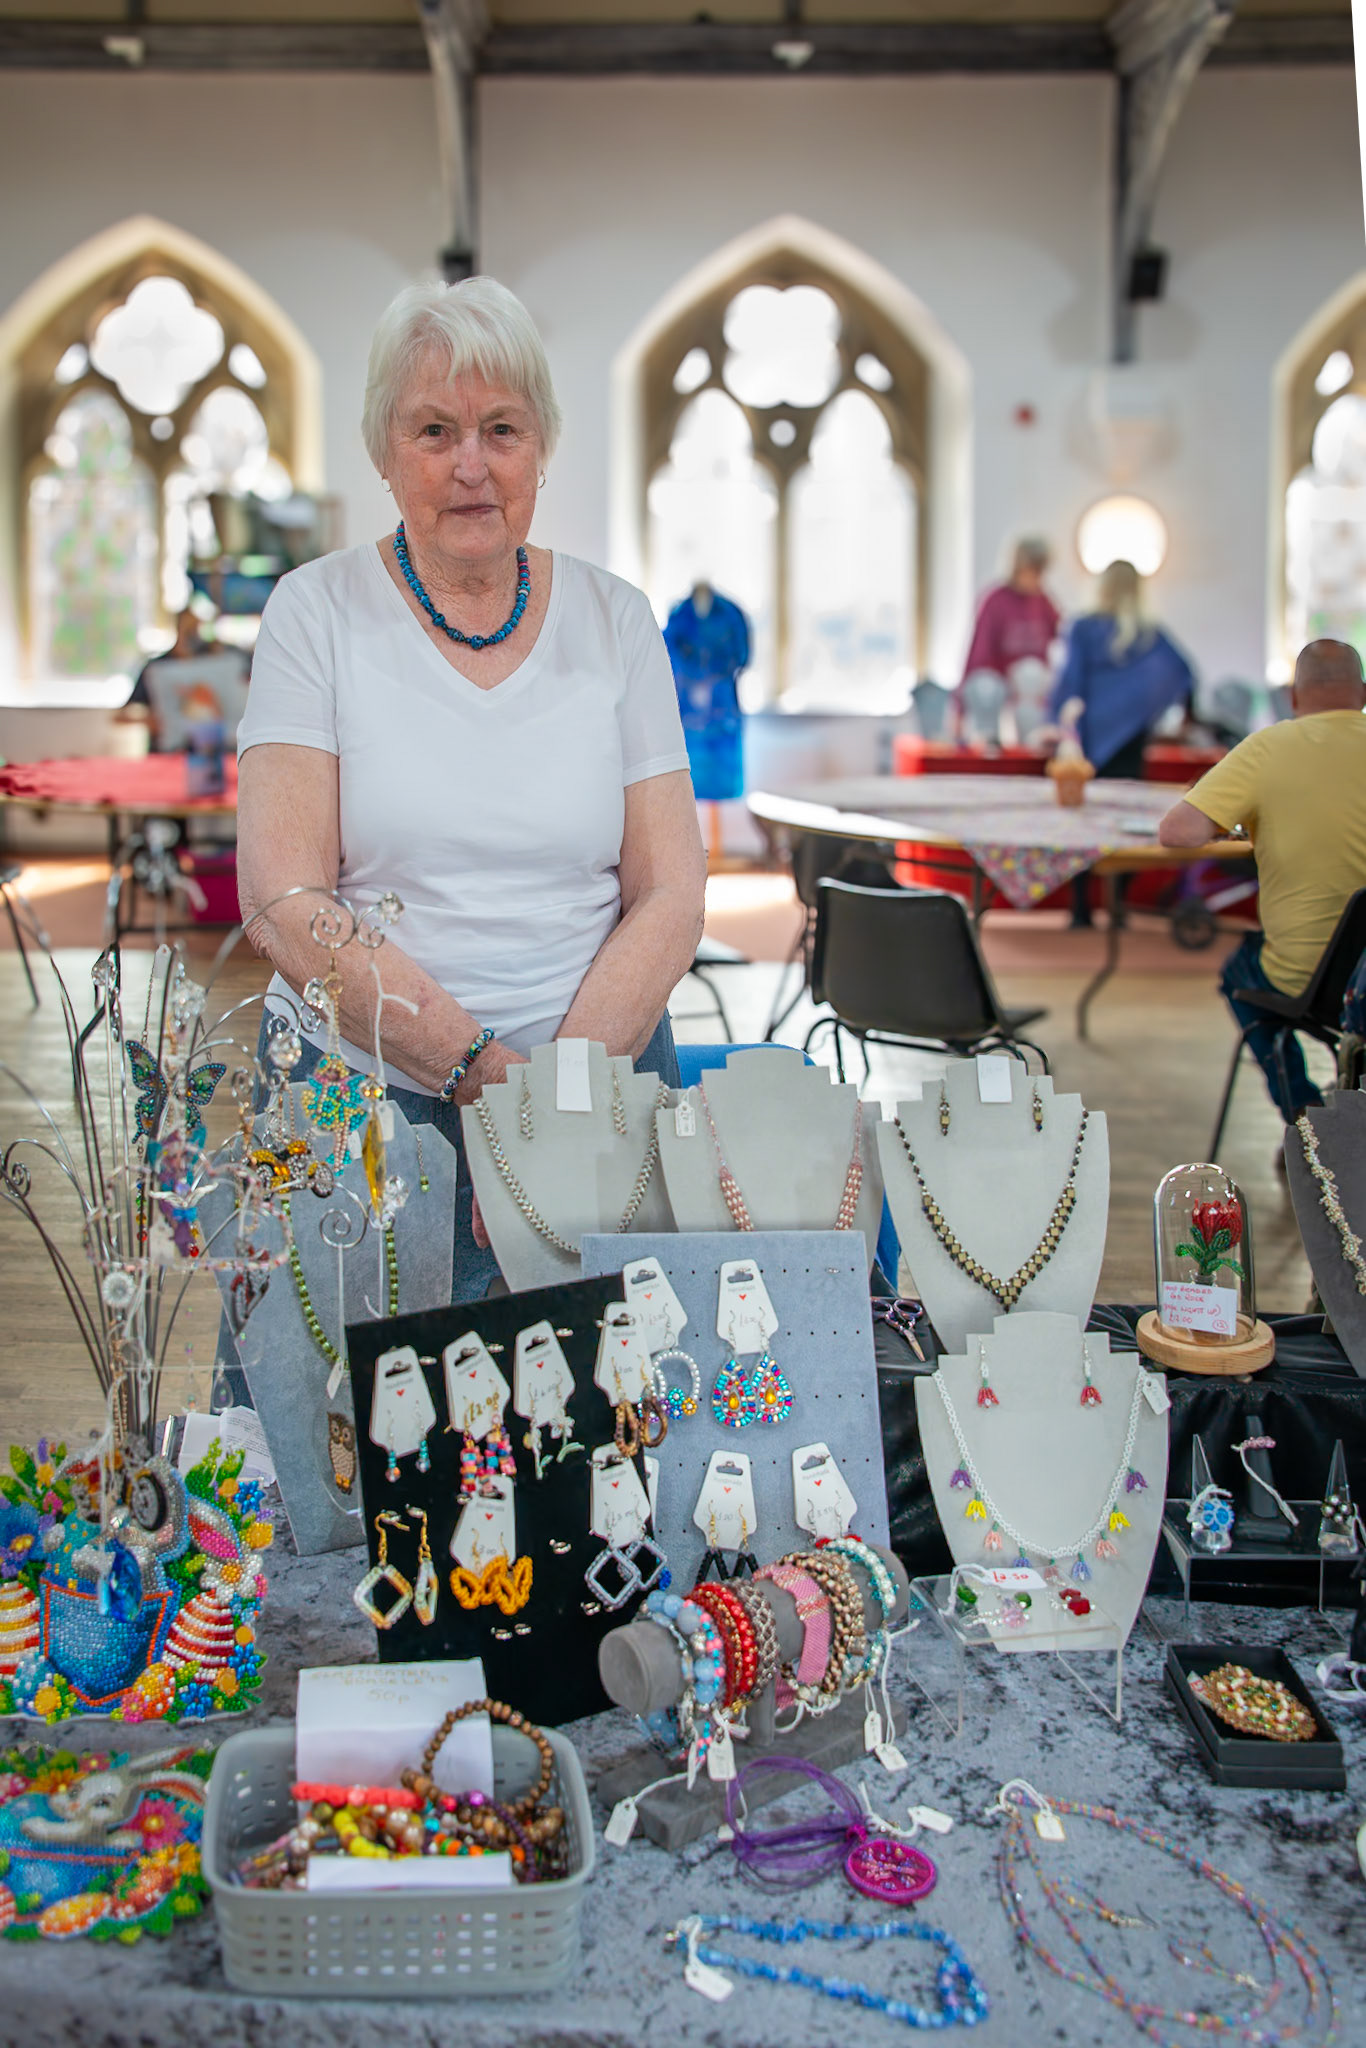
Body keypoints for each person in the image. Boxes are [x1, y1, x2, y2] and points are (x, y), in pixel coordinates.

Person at [236, 277, 706, 1300]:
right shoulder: (312, 613)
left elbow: (671, 888)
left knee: (611, 1425)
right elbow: (283, 896)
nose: (470, 465)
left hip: (601, 1080)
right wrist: (486, 1078)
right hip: (363, 1095)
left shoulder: (616, 620)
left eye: (502, 428)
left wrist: (554, 1108)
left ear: (541, 445)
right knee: (357, 1433)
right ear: (381, 447)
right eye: (434, 428)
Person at [1158, 638, 1366, 1126]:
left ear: (1293, 697)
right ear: (1363, 693)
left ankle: (1305, 1114)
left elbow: (1178, 831)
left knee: (1239, 973)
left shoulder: (1269, 747)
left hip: (1305, 981)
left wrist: (1238, 824)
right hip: (1363, 982)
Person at [1049, 560, 1195, 782]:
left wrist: (1061, 714)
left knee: (1091, 791)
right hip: (1132, 730)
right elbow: (1183, 672)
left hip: (1093, 724)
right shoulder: (1148, 632)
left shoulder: (1083, 626)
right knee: (1126, 789)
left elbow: (1071, 680)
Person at [959, 537, 1059, 742]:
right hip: (996, 690)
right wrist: (960, 705)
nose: (1037, 578)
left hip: (1029, 696)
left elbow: (1064, 639)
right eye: (1034, 570)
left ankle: (1031, 747)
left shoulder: (1043, 601)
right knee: (986, 686)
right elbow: (979, 653)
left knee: (1031, 677)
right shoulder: (995, 600)